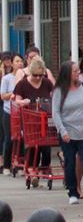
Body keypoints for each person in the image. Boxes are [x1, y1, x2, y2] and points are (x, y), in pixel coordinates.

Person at [51, 61, 83, 206]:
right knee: (70, 163)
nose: (78, 73)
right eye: (75, 71)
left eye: (78, 71)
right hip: (68, 132)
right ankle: (72, 192)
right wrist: (62, 130)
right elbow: (56, 112)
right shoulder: (59, 90)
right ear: (67, 74)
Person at [14, 58, 55, 188]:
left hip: (44, 120)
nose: (38, 78)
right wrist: (23, 102)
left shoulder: (47, 83)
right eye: (35, 75)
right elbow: (16, 100)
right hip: (29, 121)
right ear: (30, 73)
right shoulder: (22, 84)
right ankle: (32, 170)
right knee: (32, 146)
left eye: (40, 75)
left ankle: (44, 167)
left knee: (46, 147)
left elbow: (54, 96)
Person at [1, 53, 24, 174]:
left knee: (22, 138)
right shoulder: (7, 78)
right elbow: (3, 96)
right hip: (9, 112)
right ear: (12, 64)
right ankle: (6, 165)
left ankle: (21, 165)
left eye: (21, 61)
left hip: (22, 113)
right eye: (17, 61)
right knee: (9, 138)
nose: (20, 63)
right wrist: (14, 93)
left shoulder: (26, 77)